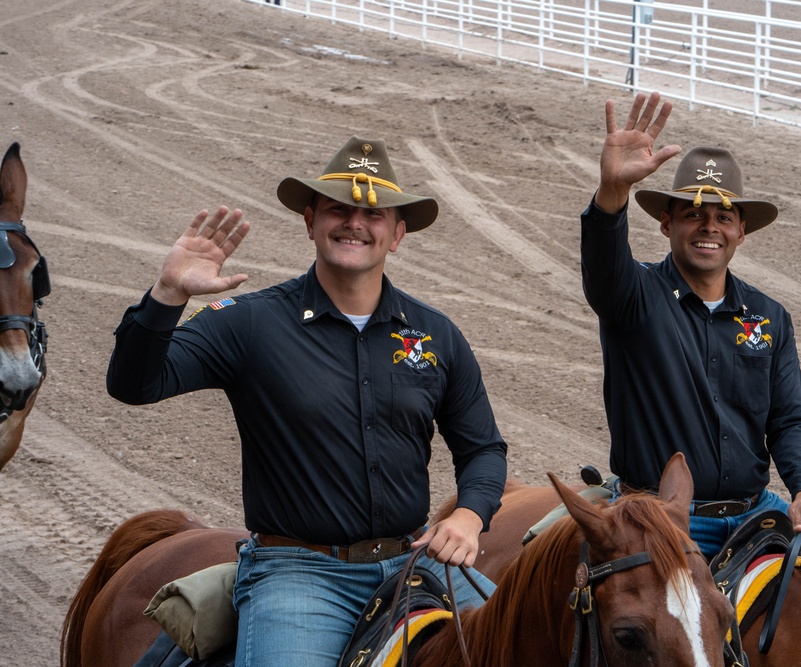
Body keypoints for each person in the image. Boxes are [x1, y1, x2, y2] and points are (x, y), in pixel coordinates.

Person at [106, 136, 508, 665]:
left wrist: (469, 518)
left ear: (398, 233)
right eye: (338, 209)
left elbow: (483, 449)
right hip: (299, 575)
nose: (354, 223)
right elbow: (135, 384)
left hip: (414, 561)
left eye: (373, 214)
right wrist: (168, 294)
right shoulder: (249, 323)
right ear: (310, 219)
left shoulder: (437, 334)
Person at [580, 92, 801, 586]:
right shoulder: (634, 296)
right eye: (693, 213)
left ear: (741, 231)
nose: (709, 227)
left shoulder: (769, 317)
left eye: (724, 216)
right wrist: (611, 192)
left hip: (758, 512)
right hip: (663, 523)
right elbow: (603, 264)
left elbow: (792, 417)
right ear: (667, 222)